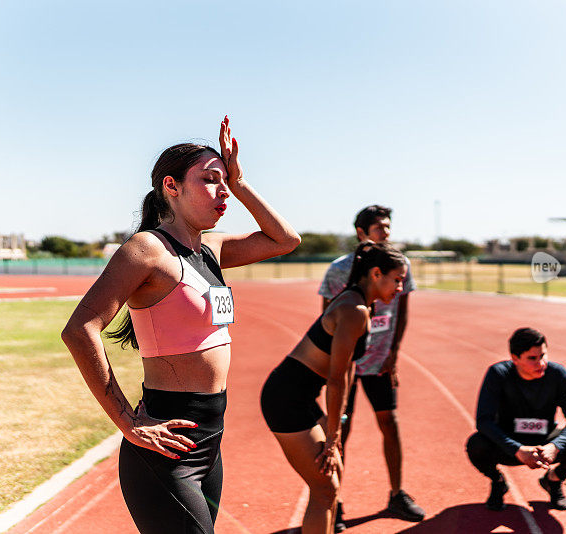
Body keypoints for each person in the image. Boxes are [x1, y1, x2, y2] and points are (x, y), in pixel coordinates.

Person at [61, 117, 300, 534]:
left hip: (209, 438)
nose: (222, 190)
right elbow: (80, 329)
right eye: (210, 180)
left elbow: (285, 240)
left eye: (225, 181)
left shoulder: (211, 248)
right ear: (171, 187)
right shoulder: (147, 250)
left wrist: (241, 182)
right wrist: (128, 423)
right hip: (167, 441)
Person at [261, 242, 408, 534]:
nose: (401, 288)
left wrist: (335, 427)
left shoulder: (363, 303)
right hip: (286, 398)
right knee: (325, 487)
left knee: (331, 480)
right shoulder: (354, 309)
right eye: (398, 279)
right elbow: (337, 376)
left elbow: (350, 369)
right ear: (377, 273)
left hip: (300, 396)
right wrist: (333, 435)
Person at [318, 205, 425, 529]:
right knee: (340, 433)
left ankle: (396, 495)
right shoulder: (338, 270)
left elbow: (402, 312)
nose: (386, 232)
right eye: (379, 227)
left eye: (388, 227)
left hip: (379, 361)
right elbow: (325, 321)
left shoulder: (398, 264)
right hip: (347, 363)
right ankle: (334, 503)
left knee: (389, 423)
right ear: (361, 232)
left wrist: (394, 352)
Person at [466, 327, 566, 512]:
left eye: (543, 355)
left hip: (546, 440)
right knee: (476, 444)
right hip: (510, 442)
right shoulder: (498, 374)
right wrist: (517, 450)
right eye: (532, 358)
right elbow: (484, 421)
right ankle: (498, 482)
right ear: (515, 358)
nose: (541, 363)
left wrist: (556, 446)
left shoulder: (557, 374)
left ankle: (553, 480)